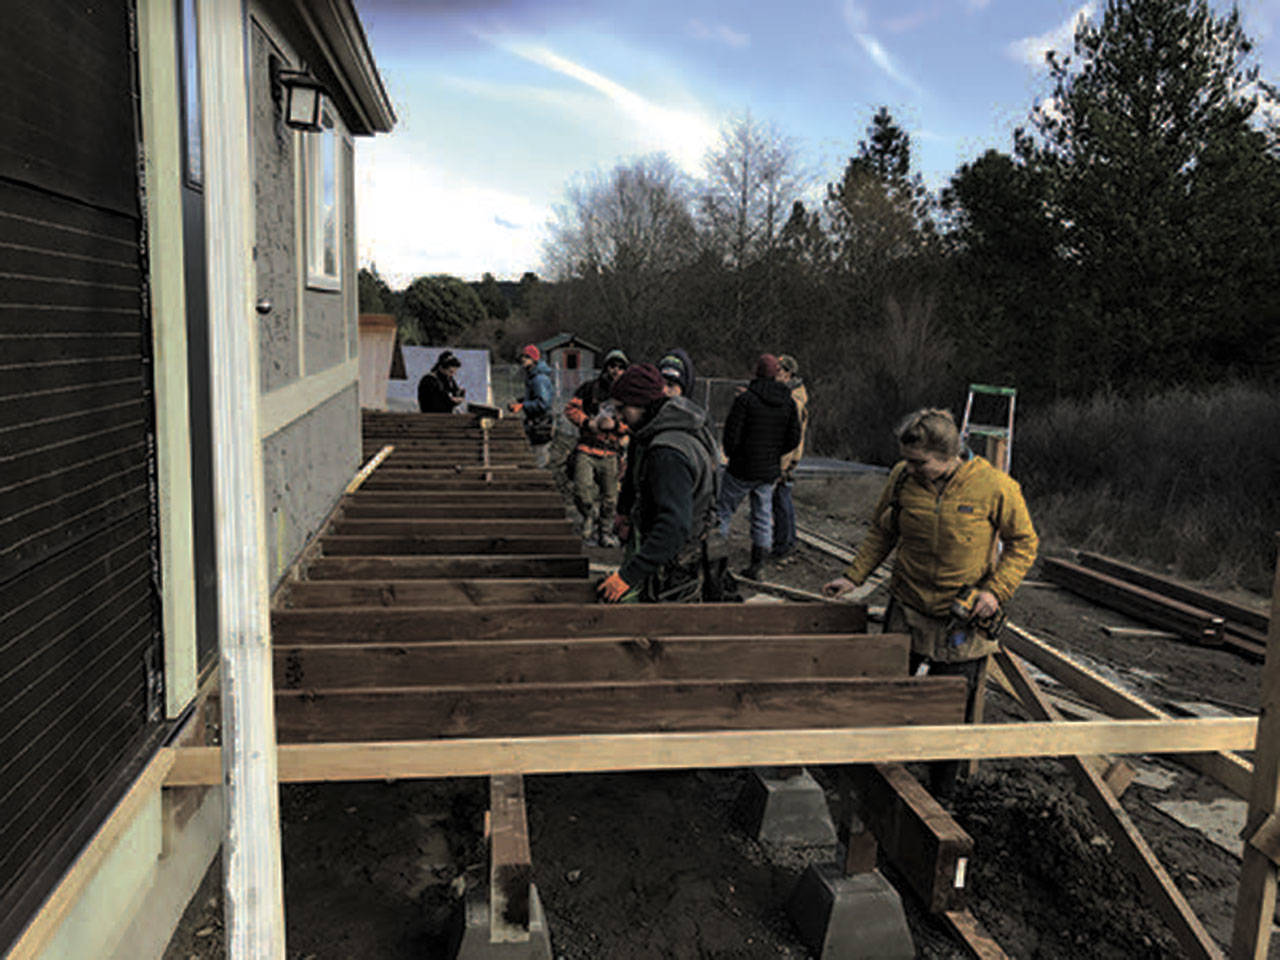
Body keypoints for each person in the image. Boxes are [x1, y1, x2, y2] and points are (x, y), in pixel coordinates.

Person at [823, 407, 1039, 798]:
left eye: (919, 462)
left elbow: (1024, 543)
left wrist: (994, 591)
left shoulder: (995, 487)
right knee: (889, 695)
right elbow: (882, 531)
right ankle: (882, 777)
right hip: (908, 605)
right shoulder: (902, 479)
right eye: (907, 460)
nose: (911, 468)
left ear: (948, 454)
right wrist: (854, 576)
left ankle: (941, 794)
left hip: (961, 616)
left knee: (949, 709)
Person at [596, 364, 727, 604]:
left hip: (677, 564)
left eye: (623, 408)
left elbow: (674, 526)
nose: (618, 417)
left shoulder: (667, 454)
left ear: (642, 403)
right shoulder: (667, 428)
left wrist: (628, 576)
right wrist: (624, 512)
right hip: (681, 552)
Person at [715, 353, 801, 581]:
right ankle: (758, 565)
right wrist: (774, 453)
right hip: (768, 470)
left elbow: (731, 436)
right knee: (763, 516)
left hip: (741, 469)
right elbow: (794, 438)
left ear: (756, 372)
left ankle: (716, 563)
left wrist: (735, 456)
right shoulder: (788, 402)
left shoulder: (746, 400)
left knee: (723, 512)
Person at [565, 348, 629, 546]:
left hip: (611, 451)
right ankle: (589, 516)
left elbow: (634, 422)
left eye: (620, 367)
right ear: (606, 367)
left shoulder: (629, 395)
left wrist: (616, 426)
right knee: (581, 490)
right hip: (587, 448)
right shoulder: (589, 388)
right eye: (612, 366)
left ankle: (605, 532)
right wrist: (587, 422)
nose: (616, 370)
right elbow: (570, 409)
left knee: (610, 498)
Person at [771, 354, 809, 559]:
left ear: (788, 374)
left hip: (786, 459)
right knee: (783, 498)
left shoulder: (794, 400)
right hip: (789, 458)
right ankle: (788, 540)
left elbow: (792, 436)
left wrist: (783, 465)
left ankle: (783, 544)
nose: (775, 374)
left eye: (778, 370)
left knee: (780, 501)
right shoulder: (793, 395)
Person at [508, 344, 555, 467]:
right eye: (522, 357)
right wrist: (521, 401)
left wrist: (522, 405)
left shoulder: (539, 379)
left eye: (527, 357)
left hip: (541, 423)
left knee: (539, 459)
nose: (523, 359)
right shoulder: (532, 376)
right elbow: (536, 398)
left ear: (534, 359)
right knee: (534, 455)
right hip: (536, 423)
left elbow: (543, 403)